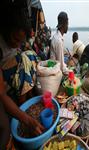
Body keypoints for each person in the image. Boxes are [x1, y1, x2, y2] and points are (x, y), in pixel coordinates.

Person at [0, 4, 44, 149]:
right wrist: (28, 120)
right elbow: (1, 93)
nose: (16, 44)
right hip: (7, 73)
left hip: (15, 68)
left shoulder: (17, 43)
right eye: (14, 39)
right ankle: (22, 105)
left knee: (30, 56)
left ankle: (27, 99)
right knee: (25, 63)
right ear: (5, 28)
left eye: (19, 41)